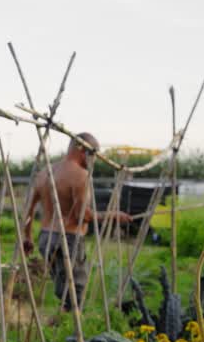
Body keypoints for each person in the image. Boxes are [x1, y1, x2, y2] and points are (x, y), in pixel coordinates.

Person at [21, 132, 131, 311]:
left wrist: (27, 236)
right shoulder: (81, 176)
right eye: (93, 153)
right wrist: (114, 215)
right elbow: (83, 216)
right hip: (68, 240)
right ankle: (69, 325)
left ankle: (60, 321)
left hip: (45, 239)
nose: (94, 159)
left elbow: (28, 210)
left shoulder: (44, 172)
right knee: (74, 291)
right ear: (81, 149)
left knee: (62, 286)